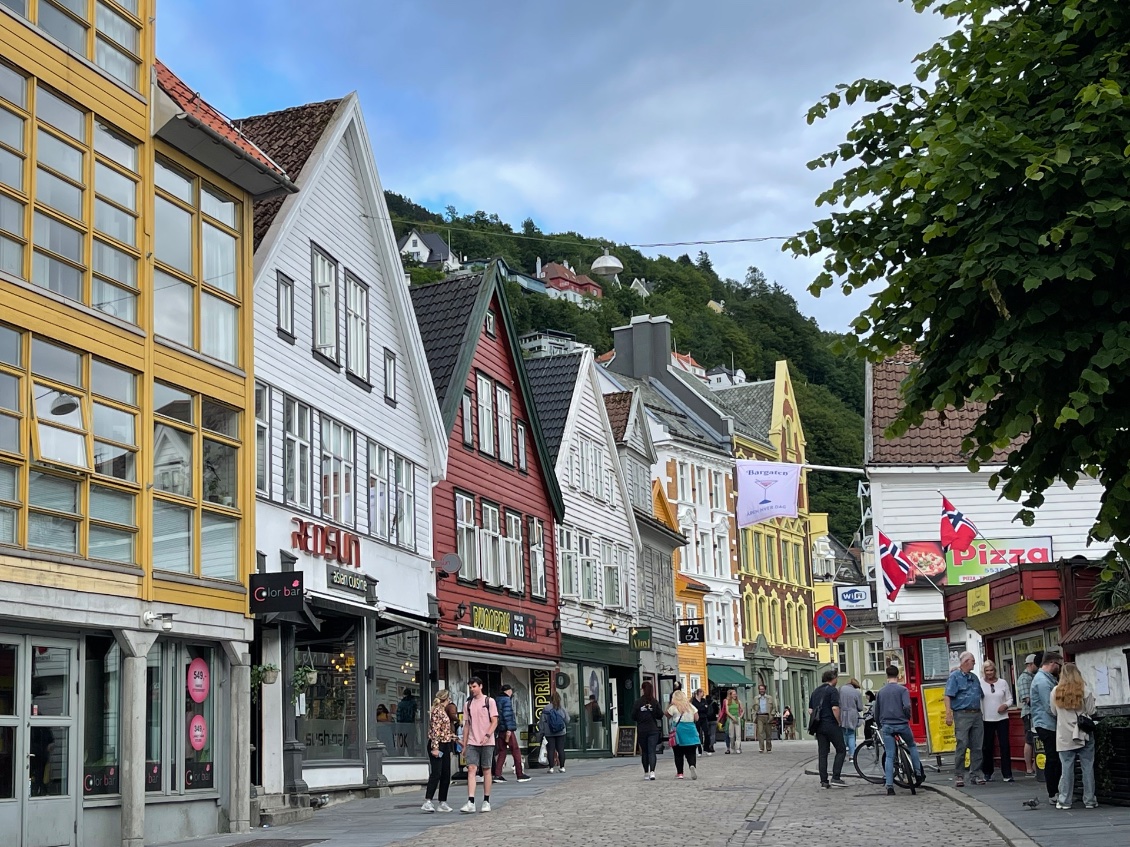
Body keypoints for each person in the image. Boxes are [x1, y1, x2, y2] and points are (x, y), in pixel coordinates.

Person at [1049, 662, 1097, 810]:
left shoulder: (1055, 691)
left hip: (1064, 735)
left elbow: (1053, 712)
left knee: (1066, 768)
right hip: (1083, 734)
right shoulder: (1085, 690)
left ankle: (1064, 800)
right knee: (1087, 767)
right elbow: (1091, 711)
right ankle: (1089, 800)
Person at [874, 664, 924, 796]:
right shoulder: (903, 690)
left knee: (890, 755)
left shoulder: (881, 692)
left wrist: (880, 724)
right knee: (912, 746)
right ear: (898, 676)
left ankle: (889, 786)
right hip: (902, 724)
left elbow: (876, 711)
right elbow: (907, 706)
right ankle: (918, 773)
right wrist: (907, 717)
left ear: (887, 676)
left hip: (887, 726)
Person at [944, 651, 985, 787]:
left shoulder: (974, 677)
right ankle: (959, 775)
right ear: (966, 661)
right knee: (962, 744)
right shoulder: (955, 677)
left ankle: (976, 773)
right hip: (962, 714)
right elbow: (948, 695)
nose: (974, 663)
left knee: (977, 745)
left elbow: (981, 695)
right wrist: (948, 714)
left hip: (976, 714)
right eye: (973, 661)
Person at [460, 677, 498, 814]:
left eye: (474, 686)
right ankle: (471, 801)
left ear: (480, 686)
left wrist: (487, 735)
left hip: (487, 741)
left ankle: (486, 800)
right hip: (472, 741)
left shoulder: (489, 701)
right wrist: (464, 745)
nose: (472, 689)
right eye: (470, 687)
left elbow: (494, 721)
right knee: (471, 769)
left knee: (487, 769)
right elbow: (466, 725)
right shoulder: (468, 704)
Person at [1030, 652, 1063, 805]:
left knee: (1055, 758)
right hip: (1046, 724)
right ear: (1052, 663)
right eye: (1059, 664)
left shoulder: (1045, 678)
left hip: (1047, 723)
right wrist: (1063, 716)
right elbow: (1049, 706)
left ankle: (1056, 790)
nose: (1060, 668)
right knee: (1052, 758)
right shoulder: (1043, 681)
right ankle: (1053, 792)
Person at [809, 668, 847, 788]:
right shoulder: (832, 691)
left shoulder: (815, 691)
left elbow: (810, 710)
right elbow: (835, 708)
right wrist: (839, 721)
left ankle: (824, 781)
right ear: (833, 679)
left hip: (819, 726)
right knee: (841, 749)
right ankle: (836, 777)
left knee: (823, 753)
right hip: (830, 724)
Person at [979, 659, 1014, 782]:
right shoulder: (980, 683)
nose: (989, 673)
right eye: (987, 670)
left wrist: (1005, 705)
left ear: (995, 670)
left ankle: (1007, 774)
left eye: (991, 670)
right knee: (987, 746)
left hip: (1002, 718)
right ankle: (987, 772)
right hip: (986, 718)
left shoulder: (1003, 683)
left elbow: (1010, 698)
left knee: (1004, 745)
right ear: (984, 671)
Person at [422, 690, 456, 813]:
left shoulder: (443, 712)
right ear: (446, 699)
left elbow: (444, 731)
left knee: (446, 774)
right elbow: (436, 732)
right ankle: (428, 800)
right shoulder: (437, 711)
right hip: (437, 745)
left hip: (446, 744)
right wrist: (435, 748)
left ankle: (442, 801)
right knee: (436, 773)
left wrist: (456, 739)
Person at [492, 684, 530, 783]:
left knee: (502, 752)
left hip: (500, 729)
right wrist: (509, 729)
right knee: (516, 750)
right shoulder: (506, 700)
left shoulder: (497, 700)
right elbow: (507, 715)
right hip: (507, 730)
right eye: (511, 691)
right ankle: (519, 774)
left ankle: (497, 774)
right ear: (508, 691)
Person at [631, 680, 662, 779]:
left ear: (643, 690)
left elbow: (633, 716)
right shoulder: (654, 702)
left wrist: (640, 717)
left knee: (644, 751)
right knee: (652, 751)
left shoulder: (638, 702)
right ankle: (652, 771)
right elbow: (660, 715)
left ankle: (646, 773)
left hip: (642, 729)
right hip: (653, 729)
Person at [667, 689, 700, 779]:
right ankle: (692, 765)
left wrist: (671, 704)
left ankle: (680, 773)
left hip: (679, 731)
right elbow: (696, 718)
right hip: (691, 730)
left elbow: (667, 715)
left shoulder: (673, 707)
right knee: (691, 752)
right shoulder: (691, 706)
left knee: (678, 753)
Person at [1016, 652, 1040, 775]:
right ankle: (1029, 767)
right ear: (1031, 664)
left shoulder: (1034, 676)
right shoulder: (1024, 678)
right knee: (1029, 740)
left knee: (1035, 740)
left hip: (1036, 713)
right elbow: (1027, 699)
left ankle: (1036, 766)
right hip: (1029, 713)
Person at [538, 691, 568, 773]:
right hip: (561, 732)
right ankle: (562, 767)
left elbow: (542, 722)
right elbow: (567, 719)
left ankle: (551, 768)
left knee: (550, 750)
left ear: (550, 699)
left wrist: (541, 732)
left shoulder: (546, 708)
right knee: (561, 749)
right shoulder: (561, 708)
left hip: (549, 732)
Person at [838, 678, 862, 758]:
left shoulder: (840, 689)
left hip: (842, 713)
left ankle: (842, 754)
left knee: (843, 733)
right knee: (851, 734)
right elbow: (860, 707)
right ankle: (852, 755)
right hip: (852, 714)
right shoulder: (856, 692)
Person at [753, 683, 778, 754]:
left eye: (763, 689)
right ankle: (761, 748)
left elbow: (774, 707)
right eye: (760, 689)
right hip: (759, 716)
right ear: (758, 690)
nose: (761, 690)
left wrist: (772, 715)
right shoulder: (756, 698)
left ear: (765, 690)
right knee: (760, 732)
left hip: (768, 716)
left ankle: (768, 748)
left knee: (768, 733)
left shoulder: (769, 698)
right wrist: (753, 715)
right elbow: (753, 708)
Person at [721, 688, 744, 753]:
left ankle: (738, 748)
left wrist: (740, 717)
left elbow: (742, 710)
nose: (735, 695)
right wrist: (732, 717)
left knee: (738, 734)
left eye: (735, 694)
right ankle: (732, 747)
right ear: (730, 695)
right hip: (730, 718)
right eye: (733, 694)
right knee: (731, 735)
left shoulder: (739, 701)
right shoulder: (727, 701)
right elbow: (727, 711)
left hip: (737, 718)